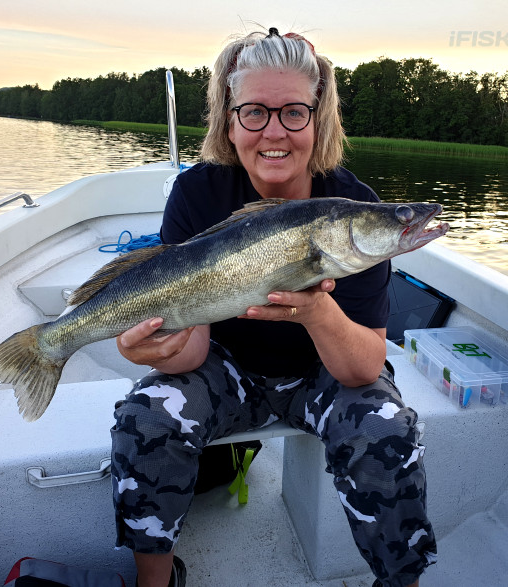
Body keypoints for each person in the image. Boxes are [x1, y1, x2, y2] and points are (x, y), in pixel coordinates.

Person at [111, 28, 437, 587]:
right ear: (229, 122)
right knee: (147, 414)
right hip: (227, 368)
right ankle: (154, 581)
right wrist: (151, 350)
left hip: (321, 371)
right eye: (255, 112)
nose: (274, 132)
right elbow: (191, 353)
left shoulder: (354, 209)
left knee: (385, 427)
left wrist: (315, 311)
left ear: (318, 120)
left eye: (293, 112)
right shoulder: (197, 195)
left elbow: (362, 368)